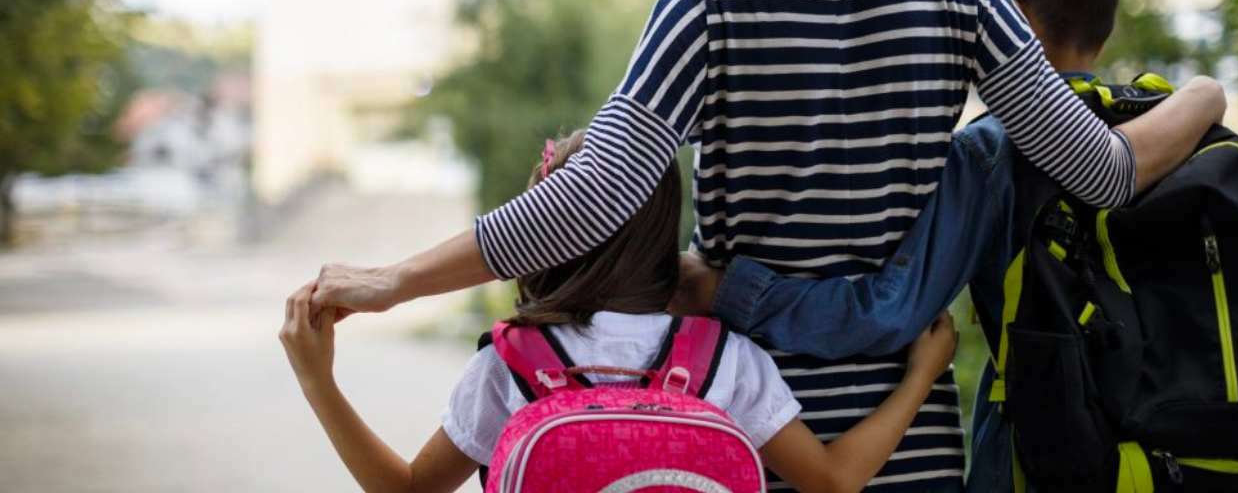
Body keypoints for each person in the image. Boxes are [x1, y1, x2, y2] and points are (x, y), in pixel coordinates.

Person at [308, 0, 1226, 489]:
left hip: (743, 429)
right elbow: (1103, 173)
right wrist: (1205, 97)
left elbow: (592, 198)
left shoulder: (709, 1)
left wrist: (395, 280)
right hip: (910, 435)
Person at [669, 0, 1210, 492]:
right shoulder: (1169, 131)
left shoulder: (994, 154)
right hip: (1182, 454)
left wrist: (724, 291)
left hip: (1046, 456)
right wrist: (1207, 92)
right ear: (1101, 30)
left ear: (1014, 23)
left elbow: (888, 310)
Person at [281, 132, 960, 493]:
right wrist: (920, 377)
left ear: (541, 234)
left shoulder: (511, 367)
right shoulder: (724, 359)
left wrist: (318, 381)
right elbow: (836, 482)